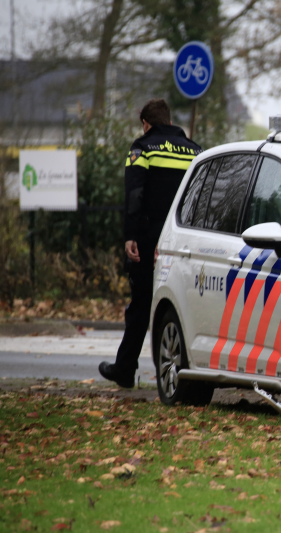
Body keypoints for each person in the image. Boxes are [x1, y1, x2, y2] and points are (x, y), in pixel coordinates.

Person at [99, 99, 202, 388]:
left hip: (149, 240)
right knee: (184, 302)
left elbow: (135, 194)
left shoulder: (142, 149)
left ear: (146, 124)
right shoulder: (195, 151)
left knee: (142, 305)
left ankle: (125, 369)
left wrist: (130, 236)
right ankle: (184, 370)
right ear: (169, 121)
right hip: (187, 239)